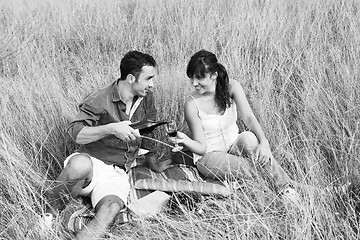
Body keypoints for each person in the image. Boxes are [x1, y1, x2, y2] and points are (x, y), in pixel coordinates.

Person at [45, 50, 172, 240]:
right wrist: (111, 128)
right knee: (79, 165)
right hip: (92, 164)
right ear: (131, 78)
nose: (152, 84)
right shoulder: (100, 98)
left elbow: (147, 131)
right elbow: (75, 134)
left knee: (110, 209)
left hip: (118, 172)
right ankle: (47, 217)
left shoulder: (147, 98)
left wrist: (154, 164)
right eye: (148, 79)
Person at [174, 49, 300, 203]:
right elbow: (201, 148)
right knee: (255, 167)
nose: (194, 83)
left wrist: (264, 142)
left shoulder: (232, 87)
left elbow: (248, 117)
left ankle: (286, 189)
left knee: (250, 138)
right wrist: (186, 141)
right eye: (192, 78)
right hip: (209, 156)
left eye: (199, 78)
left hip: (235, 145)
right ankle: (289, 188)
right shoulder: (191, 104)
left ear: (214, 75)